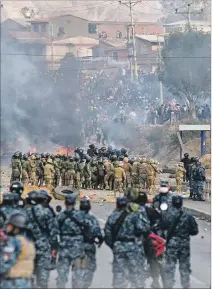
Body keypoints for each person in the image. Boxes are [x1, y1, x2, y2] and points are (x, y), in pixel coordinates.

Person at [104, 196, 148, 288]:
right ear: (127, 204)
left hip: (118, 247)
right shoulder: (133, 216)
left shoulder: (112, 217)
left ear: (117, 204)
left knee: (119, 273)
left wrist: (113, 245)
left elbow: (107, 234)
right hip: (132, 247)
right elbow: (143, 229)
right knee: (135, 272)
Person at [161, 195, 199, 288]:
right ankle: (185, 285)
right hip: (184, 245)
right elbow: (194, 231)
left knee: (170, 267)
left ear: (172, 203)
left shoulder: (167, 215)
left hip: (171, 245)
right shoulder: (188, 216)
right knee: (184, 268)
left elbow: (161, 227)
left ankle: (168, 286)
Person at [25, 190, 58, 288]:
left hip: (29, 246)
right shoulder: (47, 212)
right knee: (43, 276)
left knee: (29, 273)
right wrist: (54, 248)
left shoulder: (27, 211)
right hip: (44, 247)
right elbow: (53, 231)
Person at [56, 194, 86, 288]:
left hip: (64, 247)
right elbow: (89, 230)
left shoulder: (60, 216)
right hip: (78, 248)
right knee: (78, 274)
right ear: (75, 203)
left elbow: (53, 231)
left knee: (62, 273)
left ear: (65, 203)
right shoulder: (81, 216)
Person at [0, 212, 36, 289]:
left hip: (12, 284)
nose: (7, 228)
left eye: (9, 225)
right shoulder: (29, 242)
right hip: (26, 282)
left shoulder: (14, 242)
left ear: (16, 227)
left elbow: (6, 263)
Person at [79, 197, 104, 288]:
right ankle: (85, 284)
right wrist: (100, 240)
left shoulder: (74, 216)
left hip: (77, 245)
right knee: (91, 266)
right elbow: (98, 233)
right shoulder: (92, 218)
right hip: (89, 245)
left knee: (77, 266)